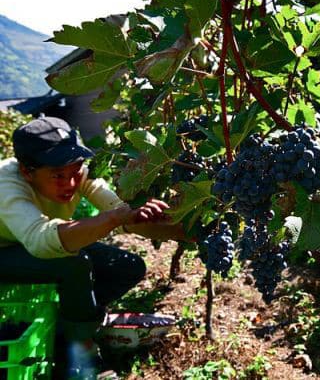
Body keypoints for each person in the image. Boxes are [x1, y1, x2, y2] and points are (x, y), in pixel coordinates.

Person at [0, 116, 186, 378]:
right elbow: (40, 241)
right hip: (4, 250)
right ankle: (78, 357)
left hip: (34, 243)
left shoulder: (77, 174)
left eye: (75, 171)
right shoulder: (6, 183)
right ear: (26, 172)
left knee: (128, 266)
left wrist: (181, 230)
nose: (71, 183)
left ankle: (68, 326)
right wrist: (114, 218)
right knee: (73, 264)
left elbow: (121, 212)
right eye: (58, 176)